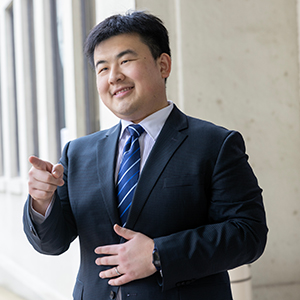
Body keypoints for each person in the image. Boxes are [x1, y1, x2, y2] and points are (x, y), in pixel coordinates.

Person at [23, 10, 268, 300]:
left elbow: (248, 234)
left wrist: (158, 254)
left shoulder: (215, 144)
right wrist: (41, 202)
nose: (114, 76)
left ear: (163, 65)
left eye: (125, 61)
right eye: (102, 68)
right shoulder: (78, 153)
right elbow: (52, 244)